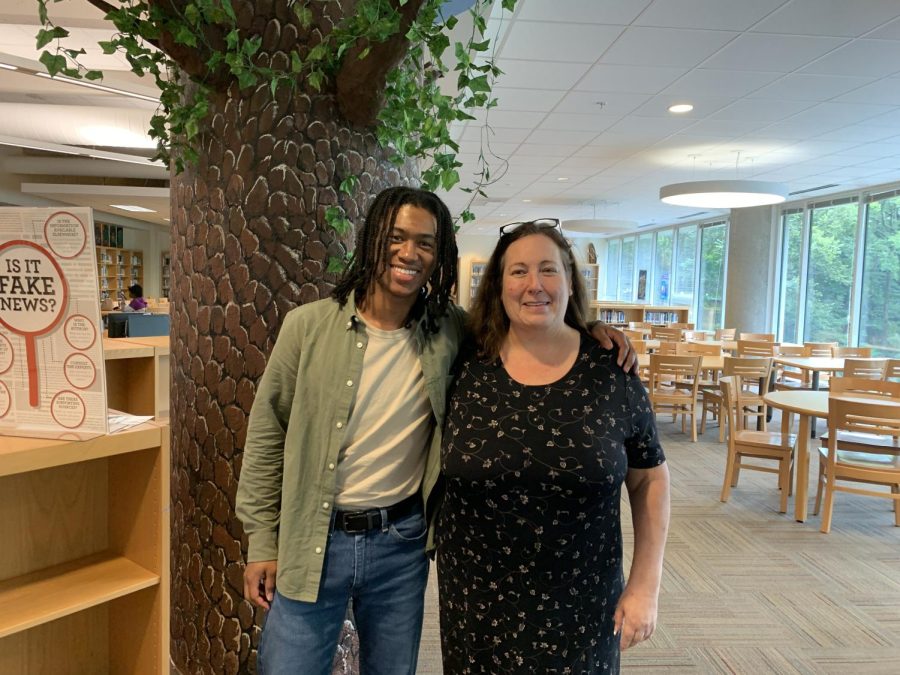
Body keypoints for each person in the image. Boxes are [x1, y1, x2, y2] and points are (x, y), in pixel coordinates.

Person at [235, 188, 636, 675]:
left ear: (440, 254)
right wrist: (262, 540)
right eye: (397, 237)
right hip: (313, 540)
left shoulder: (451, 333)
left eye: (425, 243)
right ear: (372, 240)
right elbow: (266, 437)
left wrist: (591, 328)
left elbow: (526, 325)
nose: (410, 253)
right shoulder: (308, 328)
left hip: (400, 544)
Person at [436, 220, 670, 674]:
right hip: (476, 602)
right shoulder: (464, 361)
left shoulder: (610, 370)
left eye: (549, 270)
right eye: (518, 271)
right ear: (498, 285)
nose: (534, 285)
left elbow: (649, 478)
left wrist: (646, 583)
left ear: (569, 281)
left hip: (582, 602)